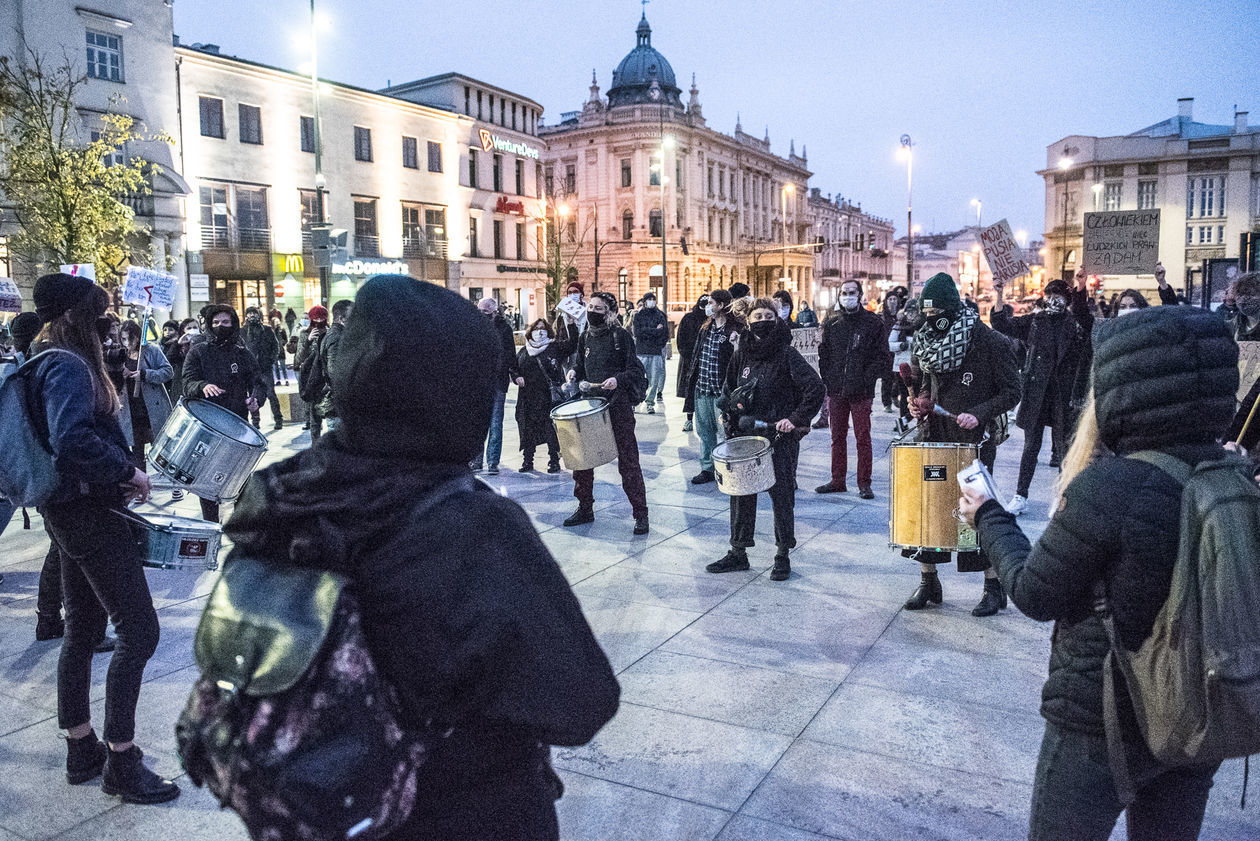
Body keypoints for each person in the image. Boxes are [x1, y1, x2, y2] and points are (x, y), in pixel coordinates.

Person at [224, 275, 618, 841]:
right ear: (457, 396)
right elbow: (580, 702)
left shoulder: (281, 494)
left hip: (322, 809)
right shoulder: (473, 526)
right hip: (453, 811)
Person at [959, 305, 1236, 841]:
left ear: (1120, 386)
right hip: (1197, 711)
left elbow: (1035, 592)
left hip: (1102, 720)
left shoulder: (1112, 487)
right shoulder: (1231, 474)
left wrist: (988, 515)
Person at [27, 273, 180, 804]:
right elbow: (71, 440)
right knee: (140, 632)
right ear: (76, 317)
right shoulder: (68, 364)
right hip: (89, 512)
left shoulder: (44, 355)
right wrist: (127, 472)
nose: (106, 328)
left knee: (84, 629)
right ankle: (121, 759)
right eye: (99, 318)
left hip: (68, 510)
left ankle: (81, 746)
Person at [902, 273, 1020, 616]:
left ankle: (993, 585)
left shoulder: (989, 341)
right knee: (931, 507)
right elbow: (924, 384)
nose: (930, 320)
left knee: (976, 513)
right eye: (926, 314)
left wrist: (979, 413)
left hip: (973, 440)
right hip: (935, 435)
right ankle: (929, 580)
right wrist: (917, 402)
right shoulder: (924, 340)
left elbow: (1013, 391)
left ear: (953, 310)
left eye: (937, 313)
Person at [706, 298, 823, 581]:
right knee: (741, 493)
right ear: (748, 321)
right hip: (746, 436)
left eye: (768, 315)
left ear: (777, 319)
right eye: (757, 315)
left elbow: (815, 388)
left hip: (778, 438)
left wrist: (794, 419)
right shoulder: (741, 354)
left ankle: (782, 554)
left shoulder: (787, 354)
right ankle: (738, 552)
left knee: (782, 497)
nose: (762, 320)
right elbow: (728, 389)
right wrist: (728, 414)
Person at [991, 271, 1093, 515]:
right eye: (1050, 295)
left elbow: (1084, 316)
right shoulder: (1036, 321)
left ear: (1066, 300)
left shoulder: (1077, 323)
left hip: (1064, 394)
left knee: (1064, 448)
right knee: (1031, 447)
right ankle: (1020, 495)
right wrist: (999, 293)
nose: (1053, 300)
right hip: (1038, 392)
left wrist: (1081, 285)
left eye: (1058, 296)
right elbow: (1002, 324)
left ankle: (1063, 497)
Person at [565, 292, 650, 534]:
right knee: (582, 461)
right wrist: (574, 372)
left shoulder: (620, 336)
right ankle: (584, 508)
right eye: (590, 306)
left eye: (598, 308)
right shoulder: (584, 338)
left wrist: (617, 379)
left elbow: (635, 369)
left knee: (629, 462)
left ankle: (640, 514)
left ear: (609, 313)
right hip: (590, 407)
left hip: (617, 406)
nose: (592, 311)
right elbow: (581, 365)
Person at [182, 304, 263, 523]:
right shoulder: (198, 351)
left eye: (225, 323)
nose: (220, 326)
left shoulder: (242, 353)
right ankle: (211, 524)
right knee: (207, 479)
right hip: (208, 425)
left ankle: (242, 526)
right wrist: (202, 386)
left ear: (233, 324)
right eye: (216, 323)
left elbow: (258, 382)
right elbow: (187, 383)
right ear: (209, 325)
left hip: (237, 423)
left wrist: (255, 399)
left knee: (240, 478)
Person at [815, 279, 888, 499]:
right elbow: (824, 354)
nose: (848, 296)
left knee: (862, 437)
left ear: (860, 294)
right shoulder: (833, 323)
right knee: (837, 436)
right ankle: (837, 480)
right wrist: (828, 379)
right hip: (837, 390)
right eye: (844, 292)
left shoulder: (873, 323)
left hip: (861, 391)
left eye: (852, 292)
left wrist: (867, 379)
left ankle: (864, 483)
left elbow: (882, 357)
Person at [686, 289, 741, 485]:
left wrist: (737, 343)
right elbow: (696, 356)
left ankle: (728, 467)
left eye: (711, 302)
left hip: (721, 391)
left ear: (721, 305)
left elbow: (739, 360)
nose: (708, 306)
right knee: (704, 431)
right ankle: (707, 468)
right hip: (702, 388)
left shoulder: (734, 330)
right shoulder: (705, 328)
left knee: (725, 431)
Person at [514, 318, 576, 473]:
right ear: (530, 332)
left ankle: (554, 460)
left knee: (550, 429)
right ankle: (528, 460)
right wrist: (516, 377)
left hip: (549, 396)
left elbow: (573, 344)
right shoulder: (525, 350)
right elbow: (514, 367)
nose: (539, 332)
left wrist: (570, 324)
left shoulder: (554, 347)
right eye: (536, 328)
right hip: (528, 397)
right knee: (528, 429)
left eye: (543, 328)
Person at [116, 320, 173, 471]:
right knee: (136, 450)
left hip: (151, 407)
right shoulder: (119, 354)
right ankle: (142, 488)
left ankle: (172, 484)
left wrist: (145, 374)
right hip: (130, 409)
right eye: (124, 339)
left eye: (131, 338)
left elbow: (168, 371)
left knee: (162, 448)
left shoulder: (151, 351)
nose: (128, 343)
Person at [471, 297, 518, 475]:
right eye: (479, 310)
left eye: (485, 312)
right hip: (478, 382)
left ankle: (492, 461)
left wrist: (513, 372)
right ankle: (476, 461)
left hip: (497, 381)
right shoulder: (473, 327)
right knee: (477, 422)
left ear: (494, 312)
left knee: (495, 423)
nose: (481, 315)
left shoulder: (504, 329)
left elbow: (509, 354)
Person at [241, 306, 283, 431]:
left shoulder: (266, 330)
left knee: (271, 394)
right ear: (246, 316)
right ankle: (255, 423)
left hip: (265, 368)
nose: (252, 316)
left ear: (259, 315)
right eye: (249, 313)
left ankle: (278, 419)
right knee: (252, 396)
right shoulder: (242, 331)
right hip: (250, 370)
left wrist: (271, 360)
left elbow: (276, 346)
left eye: (254, 313)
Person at [316, 299, 353, 433]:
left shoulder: (336, 335)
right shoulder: (336, 337)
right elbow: (334, 371)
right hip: (337, 404)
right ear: (341, 318)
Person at [675, 294, 709, 432]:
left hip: (705, 360)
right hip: (689, 360)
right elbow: (681, 339)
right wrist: (688, 355)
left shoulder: (711, 320)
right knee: (690, 390)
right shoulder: (689, 318)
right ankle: (689, 419)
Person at [632, 291, 669, 412]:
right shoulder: (638, 315)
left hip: (655, 351)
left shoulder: (660, 315)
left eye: (653, 299)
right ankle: (636, 399)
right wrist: (654, 331)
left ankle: (650, 402)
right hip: (641, 351)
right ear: (644, 301)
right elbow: (637, 333)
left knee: (654, 380)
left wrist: (648, 332)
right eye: (649, 299)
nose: (651, 301)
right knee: (638, 378)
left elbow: (664, 333)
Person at [296, 305, 329, 439]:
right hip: (312, 377)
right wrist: (308, 341)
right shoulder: (305, 333)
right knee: (314, 414)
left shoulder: (331, 332)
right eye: (316, 318)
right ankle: (316, 443)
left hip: (327, 375)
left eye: (322, 318)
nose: (319, 321)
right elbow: (299, 358)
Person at [878, 286, 910, 414]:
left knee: (898, 377)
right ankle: (887, 402)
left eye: (894, 299)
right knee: (886, 378)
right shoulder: (881, 316)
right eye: (890, 299)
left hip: (898, 352)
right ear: (885, 301)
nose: (892, 301)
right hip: (884, 351)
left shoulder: (901, 316)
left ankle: (894, 394)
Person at [270, 313, 290, 385]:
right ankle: (278, 380)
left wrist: (282, 343)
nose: (277, 323)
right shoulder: (271, 331)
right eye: (276, 322)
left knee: (283, 366)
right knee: (275, 367)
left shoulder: (282, 330)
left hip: (281, 350)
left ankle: (286, 379)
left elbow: (286, 339)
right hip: (274, 351)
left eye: (278, 321)